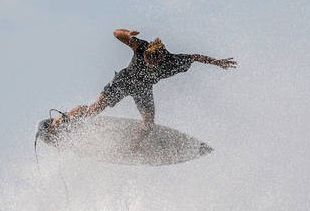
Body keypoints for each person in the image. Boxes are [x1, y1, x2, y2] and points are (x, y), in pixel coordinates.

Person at [38, 28, 236, 146]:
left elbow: (195, 57)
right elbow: (116, 33)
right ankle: (59, 124)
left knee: (148, 122)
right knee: (95, 108)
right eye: (147, 57)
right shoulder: (142, 47)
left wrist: (217, 62)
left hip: (143, 90)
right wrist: (127, 33)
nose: (148, 61)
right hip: (124, 81)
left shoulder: (172, 61)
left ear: (161, 57)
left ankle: (134, 148)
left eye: (152, 59)